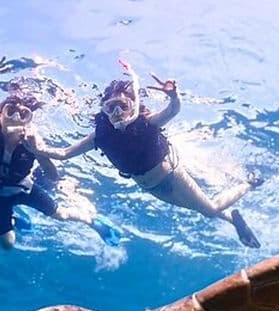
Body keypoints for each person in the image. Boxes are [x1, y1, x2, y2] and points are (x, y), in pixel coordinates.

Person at [24, 62, 263, 248]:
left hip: (172, 176)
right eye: (110, 108)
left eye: (122, 106)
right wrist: (37, 149)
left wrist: (173, 95)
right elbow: (64, 154)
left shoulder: (145, 122)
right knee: (199, 209)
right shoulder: (100, 137)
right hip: (150, 187)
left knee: (209, 210)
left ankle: (248, 185)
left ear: (132, 105)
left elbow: (172, 111)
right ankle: (235, 223)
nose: (117, 112)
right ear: (104, 111)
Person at [0, 57, 119, 250]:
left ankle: (92, 221)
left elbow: (53, 176)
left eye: (24, 114)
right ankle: (13, 219)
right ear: (0, 114)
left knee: (61, 215)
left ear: (29, 120)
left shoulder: (33, 140)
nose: (16, 118)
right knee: (7, 244)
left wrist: (38, 151)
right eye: (10, 111)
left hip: (24, 189)